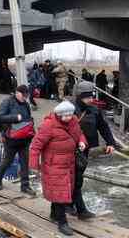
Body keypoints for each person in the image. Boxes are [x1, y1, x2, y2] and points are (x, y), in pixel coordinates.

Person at [29, 101, 87, 236]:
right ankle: (62, 223)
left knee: (61, 191)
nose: (68, 118)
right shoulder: (48, 125)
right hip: (53, 165)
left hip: (69, 164)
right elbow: (36, 146)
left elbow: (80, 134)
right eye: (65, 115)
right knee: (60, 192)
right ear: (58, 114)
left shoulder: (73, 121)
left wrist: (82, 142)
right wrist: (34, 165)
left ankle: (54, 214)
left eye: (70, 115)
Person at [71, 81, 115, 218]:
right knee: (75, 180)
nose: (90, 100)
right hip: (71, 150)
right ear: (79, 96)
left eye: (91, 97)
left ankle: (69, 205)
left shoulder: (94, 110)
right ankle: (80, 210)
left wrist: (110, 142)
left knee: (76, 179)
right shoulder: (70, 109)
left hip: (86, 151)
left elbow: (103, 127)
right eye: (87, 97)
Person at [0, 85, 36, 196]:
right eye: (24, 95)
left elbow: (28, 119)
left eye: (27, 96)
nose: (25, 98)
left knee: (24, 162)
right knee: (8, 160)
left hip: (24, 138)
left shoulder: (26, 104)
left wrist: (32, 129)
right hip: (10, 138)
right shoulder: (7, 102)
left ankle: (25, 186)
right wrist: (14, 118)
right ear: (17, 93)